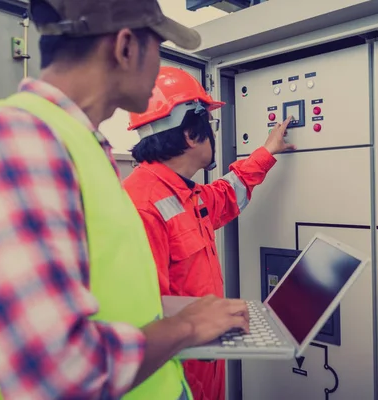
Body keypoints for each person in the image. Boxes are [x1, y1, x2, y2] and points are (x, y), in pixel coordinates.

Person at [0, 1, 249, 399]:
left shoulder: (78, 145)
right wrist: (187, 326)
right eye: (160, 45)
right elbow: (55, 374)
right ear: (126, 47)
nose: (160, 65)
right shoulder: (23, 139)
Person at [123, 66, 295, 400]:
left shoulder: (182, 193)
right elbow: (144, 324)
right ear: (190, 134)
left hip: (203, 364)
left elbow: (226, 194)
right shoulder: (142, 206)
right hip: (177, 379)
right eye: (211, 124)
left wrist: (266, 151)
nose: (213, 132)